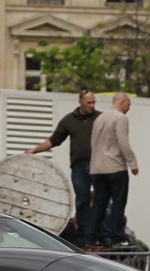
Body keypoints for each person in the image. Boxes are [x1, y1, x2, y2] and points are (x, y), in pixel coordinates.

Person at [26, 89, 100, 244]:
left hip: (99, 165)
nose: (92, 105)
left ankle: (98, 234)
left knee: (101, 200)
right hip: (79, 166)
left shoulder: (100, 118)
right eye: (89, 102)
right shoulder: (69, 120)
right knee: (82, 200)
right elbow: (54, 140)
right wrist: (34, 150)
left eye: (94, 102)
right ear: (80, 101)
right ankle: (84, 236)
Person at [87, 93, 139, 249]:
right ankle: (116, 236)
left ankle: (92, 236)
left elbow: (93, 142)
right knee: (118, 202)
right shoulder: (120, 118)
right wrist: (132, 163)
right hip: (115, 166)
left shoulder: (99, 118)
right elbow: (123, 142)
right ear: (122, 102)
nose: (129, 108)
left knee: (99, 203)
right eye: (128, 105)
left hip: (97, 167)